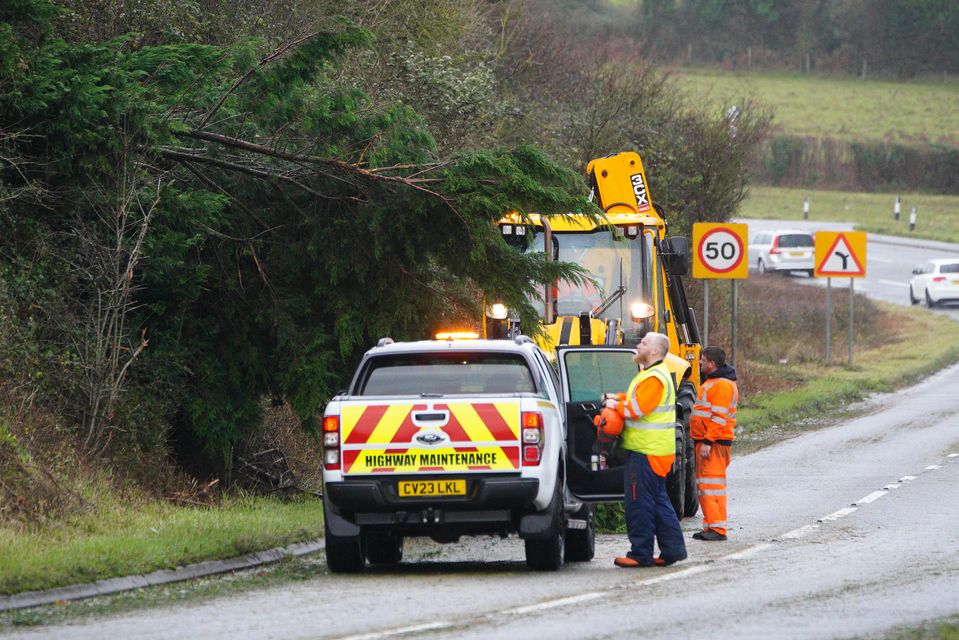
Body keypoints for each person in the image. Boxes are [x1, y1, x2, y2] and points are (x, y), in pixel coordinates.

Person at [601, 332, 687, 568]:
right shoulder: (651, 374)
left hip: (645, 452)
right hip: (655, 451)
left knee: (639, 503)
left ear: (655, 352)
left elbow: (636, 409)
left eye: (644, 343)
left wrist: (613, 405)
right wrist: (616, 397)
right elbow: (634, 399)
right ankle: (672, 550)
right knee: (658, 502)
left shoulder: (653, 378)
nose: (638, 345)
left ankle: (640, 554)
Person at [690, 345, 738, 541]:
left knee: (712, 486)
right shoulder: (715, 382)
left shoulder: (722, 385)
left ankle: (717, 529)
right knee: (706, 486)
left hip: (714, 443)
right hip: (707, 441)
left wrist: (709, 441)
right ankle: (711, 526)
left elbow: (719, 417)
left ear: (712, 363)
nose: (699, 362)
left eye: (702, 359)